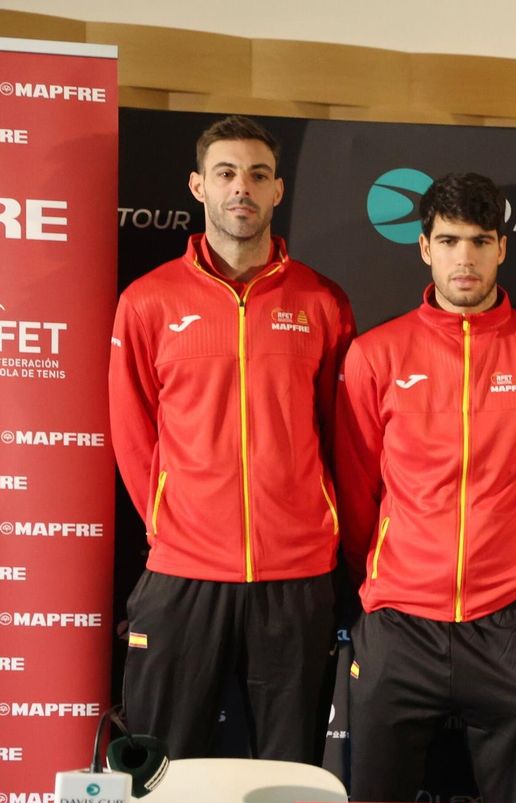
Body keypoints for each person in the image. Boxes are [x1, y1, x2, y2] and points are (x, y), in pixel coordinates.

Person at [109, 115, 354, 762]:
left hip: (297, 573)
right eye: (225, 174)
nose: (240, 187)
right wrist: (170, 522)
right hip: (183, 571)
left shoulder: (322, 301)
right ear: (198, 186)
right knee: (157, 766)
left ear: (278, 190)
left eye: (257, 174)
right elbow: (133, 431)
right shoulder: (148, 301)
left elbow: (342, 433)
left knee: (288, 770)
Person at [334, 172, 516, 803]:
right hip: (398, 621)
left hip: (508, 620)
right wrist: (389, 574)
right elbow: (358, 491)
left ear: (503, 247)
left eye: (478, 241)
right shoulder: (375, 355)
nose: (463, 258)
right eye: (448, 241)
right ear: (424, 248)